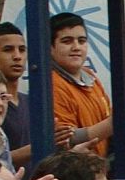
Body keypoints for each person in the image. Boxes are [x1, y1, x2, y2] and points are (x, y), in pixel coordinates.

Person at [49, 13, 118, 157]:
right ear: (50, 47)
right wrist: (114, 123)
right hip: (74, 173)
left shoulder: (90, 76)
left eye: (82, 41)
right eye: (67, 41)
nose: (76, 47)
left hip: (100, 169)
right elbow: (67, 139)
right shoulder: (51, 84)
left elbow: (108, 118)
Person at [0, 22, 33, 168]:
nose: (17, 56)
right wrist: (41, 146)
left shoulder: (32, 102)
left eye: (22, 50)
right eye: (8, 50)